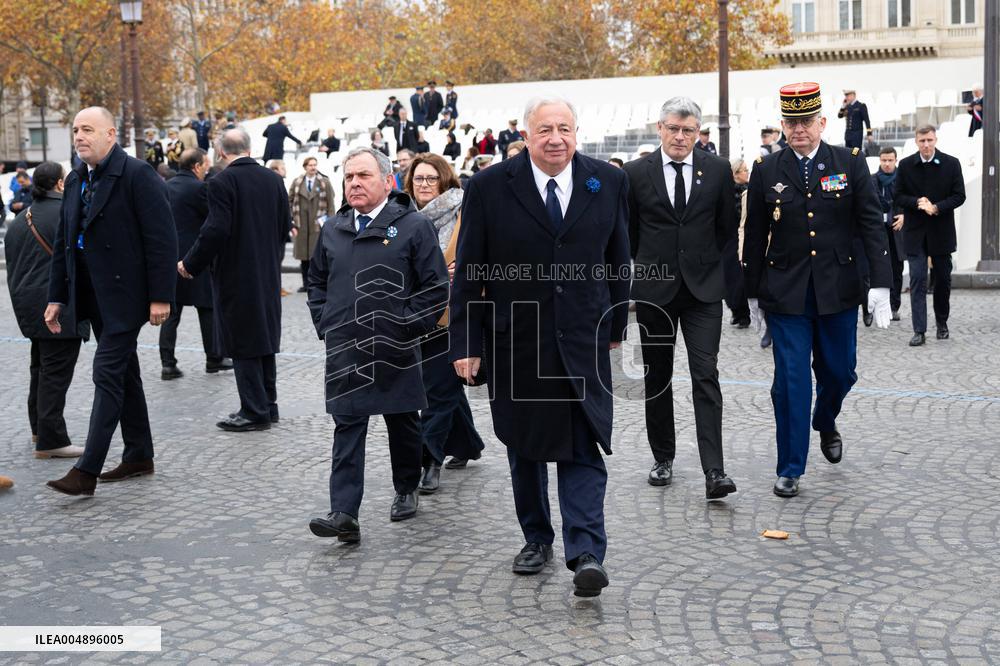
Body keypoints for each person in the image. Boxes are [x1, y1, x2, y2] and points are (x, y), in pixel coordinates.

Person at [449, 97, 631, 598]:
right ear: (526, 135)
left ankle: (587, 551)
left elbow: (619, 256)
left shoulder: (607, 181)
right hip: (518, 340)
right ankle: (536, 537)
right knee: (524, 446)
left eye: (564, 128)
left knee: (584, 442)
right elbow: (470, 270)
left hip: (582, 337)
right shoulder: (489, 187)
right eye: (545, 129)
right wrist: (466, 340)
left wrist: (618, 320)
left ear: (578, 132)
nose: (556, 138)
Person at [743, 82, 892, 499]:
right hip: (786, 292)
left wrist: (880, 282)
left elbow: (868, 223)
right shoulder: (767, 170)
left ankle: (825, 420)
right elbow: (754, 234)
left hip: (838, 288)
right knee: (791, 381)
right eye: (791, 122)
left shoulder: (848, 162)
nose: (798, 130)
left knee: (840, 371)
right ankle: (790, 466)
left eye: (806, 121)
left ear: (823, 122)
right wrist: (751, 292)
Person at [306, 146, 448, 541]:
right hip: (345, 349)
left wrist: (405, 326)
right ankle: (344, 512)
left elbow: (436, 288)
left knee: (401, 422)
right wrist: (326, 323)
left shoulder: (413, 226)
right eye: (349, 177)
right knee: (347, 425)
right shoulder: (333, 229)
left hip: (396, 347)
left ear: (387, 181)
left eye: (363, 176)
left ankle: (406, 487)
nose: (354, 183)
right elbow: (316, 281)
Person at [44, 106, 178, 496]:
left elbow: (162, 238)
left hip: (126, 297)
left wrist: (160, 296)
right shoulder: (74, 181)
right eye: (75, 130)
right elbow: (63, 245)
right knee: (125, 373)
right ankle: (139, 454)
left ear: (110, 134)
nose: (79, 136)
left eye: (88, 129)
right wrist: (57, 296)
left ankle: (87, 471)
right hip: (90, 295)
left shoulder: (137, 175)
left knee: (106, 373)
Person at [624, 97, 739, 499]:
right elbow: (629, 235)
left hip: (703, 291)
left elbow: (727, 228)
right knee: (658, 377)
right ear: (659, 128)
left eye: (688, 130)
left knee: (705, 374)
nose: (679, 136)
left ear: (698, 133)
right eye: (673, 128)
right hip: (655, 291)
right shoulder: (636, 173)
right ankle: (663, 457)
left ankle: (714, 470)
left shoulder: (719, 170)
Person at [179, 128, 291, 431]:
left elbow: (215, 229)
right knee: (265, 339)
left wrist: (190, 264)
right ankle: (269, 405)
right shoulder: (273, 179)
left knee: (243, 340)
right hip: (267, 270)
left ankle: (253, 410)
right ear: (250, 146)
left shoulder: (221, 182)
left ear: (221, 151)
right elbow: (285, 226)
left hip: (235, 272)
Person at [403, 153, 485, 489]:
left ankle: (429, 459)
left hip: (455, 314)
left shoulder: (465, 210)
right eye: (418, 179)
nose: (423, 185)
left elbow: (482, 253)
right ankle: (467, 443)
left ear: (445, 180)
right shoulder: (403, 216)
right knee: (444, 386)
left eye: (430, 178)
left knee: (437, 390)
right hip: (416, 314)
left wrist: (462, 271)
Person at [5, 161, 89, 459]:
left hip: (28, 305)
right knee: (55, 372)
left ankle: (39, 429)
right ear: (59, 184)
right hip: (58, 304)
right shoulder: (65, 213)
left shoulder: (19, 219)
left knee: (40, 368)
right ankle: (52, 439)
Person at [160, 147, 233, 380]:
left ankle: (167, 364)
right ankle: (214, 358)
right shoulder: (200, 188)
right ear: (197, 166)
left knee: (171, 314)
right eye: (206, 165)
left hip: (170, 258)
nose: (208, 169)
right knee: (207, 309)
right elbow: (212, 219)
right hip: (195, 258)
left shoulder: (165, 187)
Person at [894, 125, 966, 347]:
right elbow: (898, 195)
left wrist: (936, 207)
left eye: (929, 140)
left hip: (941, 232)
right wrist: (917, 202)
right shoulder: (906, 165)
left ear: (936, 140)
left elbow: (959, 196)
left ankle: (942, 322)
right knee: (917, 279)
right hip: (915, 233)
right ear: (916, 141)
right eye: (922, 140)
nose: (926, 144)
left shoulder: (951, 163)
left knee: (943, 279)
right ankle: (919, 330)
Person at [289, 156, 335, 293]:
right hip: (301, 224)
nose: (313, 167)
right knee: (303, 258)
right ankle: (305, 284)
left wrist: (330, 223)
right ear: (305, 167)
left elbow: (331, 204)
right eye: (310, 165)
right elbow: (289, 200)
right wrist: (292, 219)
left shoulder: (324, 182)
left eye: (315, 164)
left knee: (316, 257)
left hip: (318, 225)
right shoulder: (297, 182)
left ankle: (317, 284)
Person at [871, 146, 905, 321]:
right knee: (877, 268)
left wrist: (904, 216)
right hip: (878, 230)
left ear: (895, 160)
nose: (887, 164)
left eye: (890, 160)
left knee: (896, 269)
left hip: (896, 230)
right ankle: (875, 306)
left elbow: (909, 201)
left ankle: (894, 305)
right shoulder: (872, 180)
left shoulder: (903, 179)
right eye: (884, 160)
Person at [727, 158, 751, 328]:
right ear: (736, 174)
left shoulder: (750, 191)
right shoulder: (728, 193)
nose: (747, 173)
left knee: (740, 278)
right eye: (744, 170)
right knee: (731, 278)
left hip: (744, 238)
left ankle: (743, 313)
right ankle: (737, 311)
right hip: (730, 240)